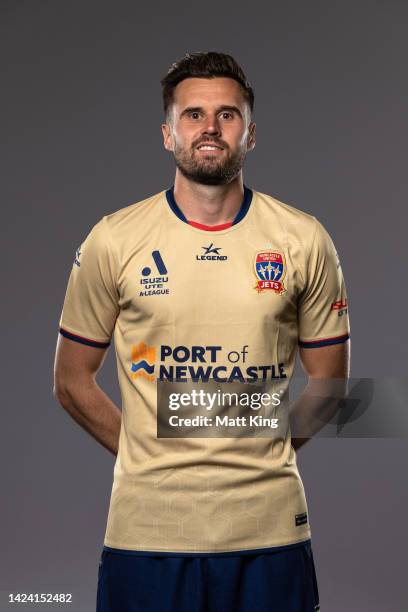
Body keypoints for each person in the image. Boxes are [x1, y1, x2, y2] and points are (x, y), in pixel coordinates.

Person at [53, 51, 350, 612]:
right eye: (193, 115)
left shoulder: (303, 240)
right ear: (167, 133)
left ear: (251, 133)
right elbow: (71, 381)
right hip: (148, 533)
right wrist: (147, 451)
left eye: (227, 115)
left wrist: (261, 445)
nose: (210, 127)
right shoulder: (114, 240)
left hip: (269, 531)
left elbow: (331, 388)